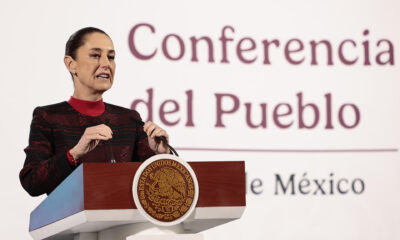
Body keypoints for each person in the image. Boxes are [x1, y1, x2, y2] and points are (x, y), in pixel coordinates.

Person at [19, 27, 170, 197]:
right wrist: (74, 154)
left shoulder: (130, 120)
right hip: (72, 222)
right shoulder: (48, 117)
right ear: (71, 64)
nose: (106, 64)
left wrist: (162, 155)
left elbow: (158, 188)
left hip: (125, 223)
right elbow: (32, 182)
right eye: (95, 55)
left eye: (111, 57)